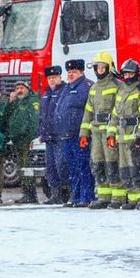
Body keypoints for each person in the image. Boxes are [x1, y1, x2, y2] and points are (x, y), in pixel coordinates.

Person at [80, 52, 122, 209]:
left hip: (110, 131)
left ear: (109, 68)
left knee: (113, 164)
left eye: (103, 66)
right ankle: (104, 196)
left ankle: (117, 196)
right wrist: (84, 134)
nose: (100, 69)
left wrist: (114, 131)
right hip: (96, 131)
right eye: (98, 67)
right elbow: (88, 111)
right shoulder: (94, 88)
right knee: (98, 165)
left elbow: (119, 110)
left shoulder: (117, 86)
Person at [108, 59, 140, 209]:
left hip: (134, 138)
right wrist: (110, 134)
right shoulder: (121, 91)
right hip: (122, 138)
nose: (128, 76)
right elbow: (114, 115)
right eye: (125, 73)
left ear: (136, 74)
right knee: (125, 171)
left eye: (130, 73)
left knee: (137, 170)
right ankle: (132, 200)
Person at [55, 59, 95, 207]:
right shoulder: (67, 88)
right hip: (67, 135)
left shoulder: (87, 86)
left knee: (83, 166)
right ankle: (76, 196)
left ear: (82, 72)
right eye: (69, 72)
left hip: (80, 134)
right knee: (72, 168)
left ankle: (86, 196)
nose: (71, 74)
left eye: (74, 72)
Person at [3, 81, 41, 204]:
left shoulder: (32, 101)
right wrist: (10, 102)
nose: (19, 90)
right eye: (17, 88)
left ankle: (31, 194)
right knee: (22, 168)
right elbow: (6, 115)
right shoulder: (17, 102)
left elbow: (34, 121)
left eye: (22, 88)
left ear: (28, 89)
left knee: (27, 168)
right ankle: (26, 193)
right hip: (17, 140)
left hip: (27, 141)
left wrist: (31, 138)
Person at [39, 66, 68, 205]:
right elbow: (43, 116)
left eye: (54, 77)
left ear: (60, 78)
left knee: (62, 165)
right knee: (51, 167)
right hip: (48, 136)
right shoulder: (46, 94)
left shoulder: (64, 91)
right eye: (49, 78)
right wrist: (41, 132)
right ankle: (55, 194)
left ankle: (67, 192)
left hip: (60, 135)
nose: (52, 80)